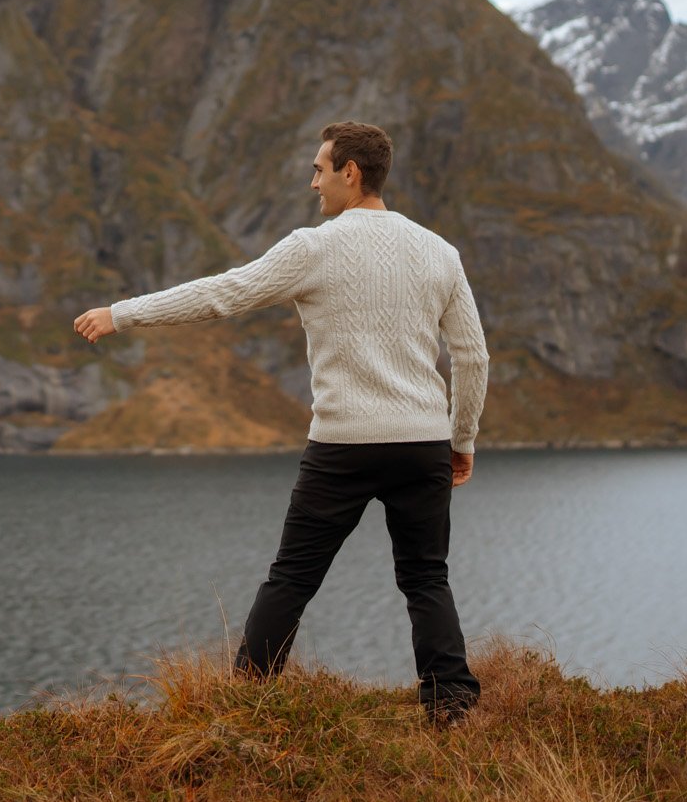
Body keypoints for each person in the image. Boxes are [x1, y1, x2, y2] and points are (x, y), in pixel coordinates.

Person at [72, 121, 489, 727]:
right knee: (426, 578)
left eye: (320, 169)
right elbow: (473, 357)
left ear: (351, 172)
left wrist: (123, 313)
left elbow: (226, 293)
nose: (312, 182)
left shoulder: (314, 247)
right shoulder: (439, 252)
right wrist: (461, 440)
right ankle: (451, 705)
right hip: (422, 442)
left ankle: (246, 701)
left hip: (343, 446)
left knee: (292, 577)